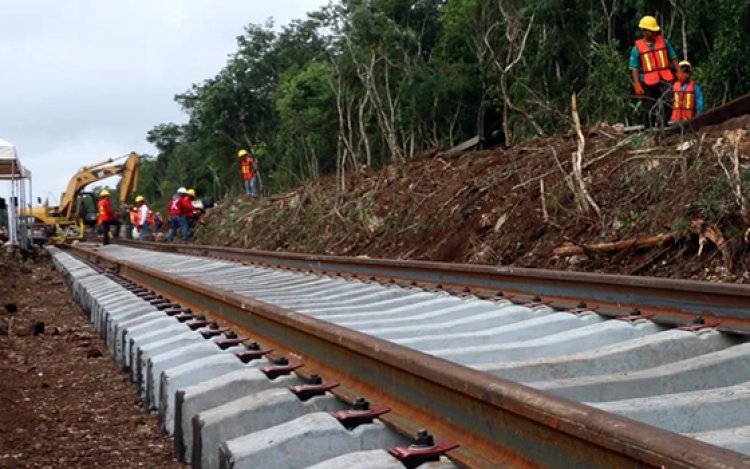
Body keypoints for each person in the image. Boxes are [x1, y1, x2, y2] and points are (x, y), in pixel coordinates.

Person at [629, 15, 683, 127]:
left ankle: (664, 123)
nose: (654, 33)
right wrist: (637, 83)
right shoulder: (637, 48)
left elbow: (673, 57)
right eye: (651, 31)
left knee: (669, 100)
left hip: (665, 77)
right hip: (648, 80)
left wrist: (678, 71)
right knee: (649, 105)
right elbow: (634, 67)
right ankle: (649, 127)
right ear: (644, 31)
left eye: (655, 31)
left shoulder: (664, 42)